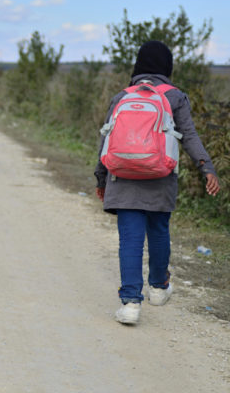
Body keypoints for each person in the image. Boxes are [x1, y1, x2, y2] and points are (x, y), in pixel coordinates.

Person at [94, 40, 220, 326]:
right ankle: (159, 289)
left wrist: (101, 178)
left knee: (130, 240)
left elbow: (105, 140)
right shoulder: (175, 97)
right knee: (159, 231)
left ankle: (130, 303)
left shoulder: (121, 96)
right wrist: (207, 169)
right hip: (160, 178)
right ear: (167, 67)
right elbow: (189, 136)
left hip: (122, 177)